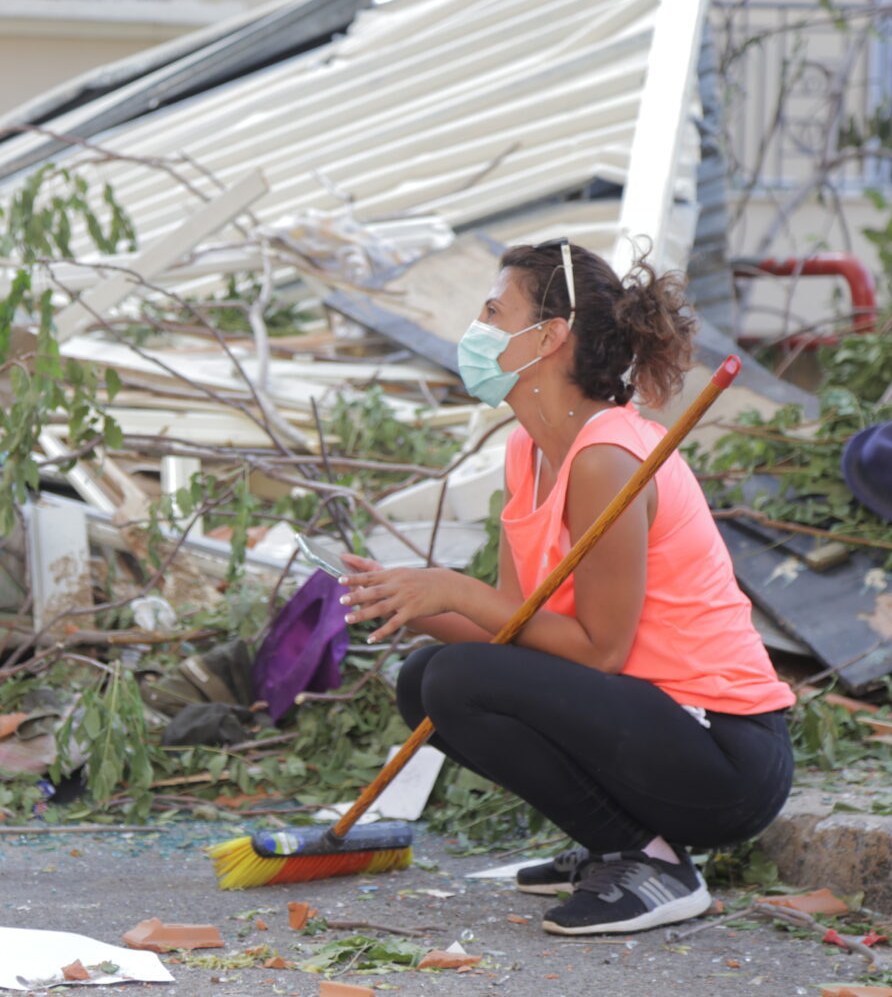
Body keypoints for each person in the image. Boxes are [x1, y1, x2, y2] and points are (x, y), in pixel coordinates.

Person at [337, 239, 795, 936]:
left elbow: (601, 650)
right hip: (650, 728)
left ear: (549, 337)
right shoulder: (528, 450)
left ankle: (653, 866)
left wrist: (453, 589)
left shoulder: (607, 459)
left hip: (725, 755)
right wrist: (411, 606)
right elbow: (516, 636)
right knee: (427, 675)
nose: (477, 327)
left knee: (456, 676)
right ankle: (618, 841)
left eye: (494, 310)